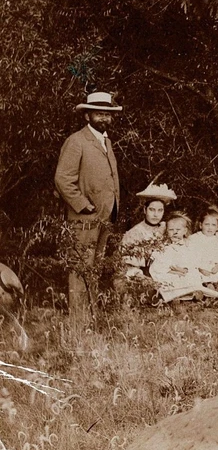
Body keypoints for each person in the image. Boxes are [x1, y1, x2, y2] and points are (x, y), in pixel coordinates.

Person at [54, 91, 123, 320]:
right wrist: (83, 206)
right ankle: (79, 321)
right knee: (81, 267)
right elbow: (63, 179)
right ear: (87, 116)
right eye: (98, 114)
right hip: (85, 217)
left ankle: (93, 316)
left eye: (108, 114)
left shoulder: (106, 142)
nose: (104, 118)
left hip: (106, 215)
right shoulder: (77, 141)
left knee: (95, 267)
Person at [149, 213, 218, 303]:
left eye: (178, 230)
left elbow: (193, 261)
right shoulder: (165, 247)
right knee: (167, 280)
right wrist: (175, 270)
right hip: (171, 273)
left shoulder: (188, 246)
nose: (175, 232)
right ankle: (177, 296)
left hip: (184, 273)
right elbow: (159, 264)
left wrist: (185, 269)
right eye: (171, 230)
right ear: (167, 231)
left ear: (184, 231)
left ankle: (192, 294)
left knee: (192, 276)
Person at [120, 182, 177, 279]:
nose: (156, 214)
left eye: (160, 210)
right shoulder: (134, 233)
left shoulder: (166, 228)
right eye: (152, 210)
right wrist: (141, 276)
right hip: (142, 275)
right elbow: (126, 265)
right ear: (145, 210)